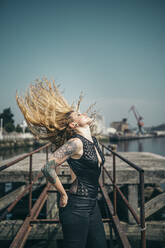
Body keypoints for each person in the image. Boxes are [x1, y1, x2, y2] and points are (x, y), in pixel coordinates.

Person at [16, 78, 107, 248]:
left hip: (92, 204)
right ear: (73, 124)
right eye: (79, 115)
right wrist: (63, 193)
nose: (83, 114)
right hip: (76, 206)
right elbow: (47, 167)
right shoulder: (75, 143)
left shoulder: (93, 141)